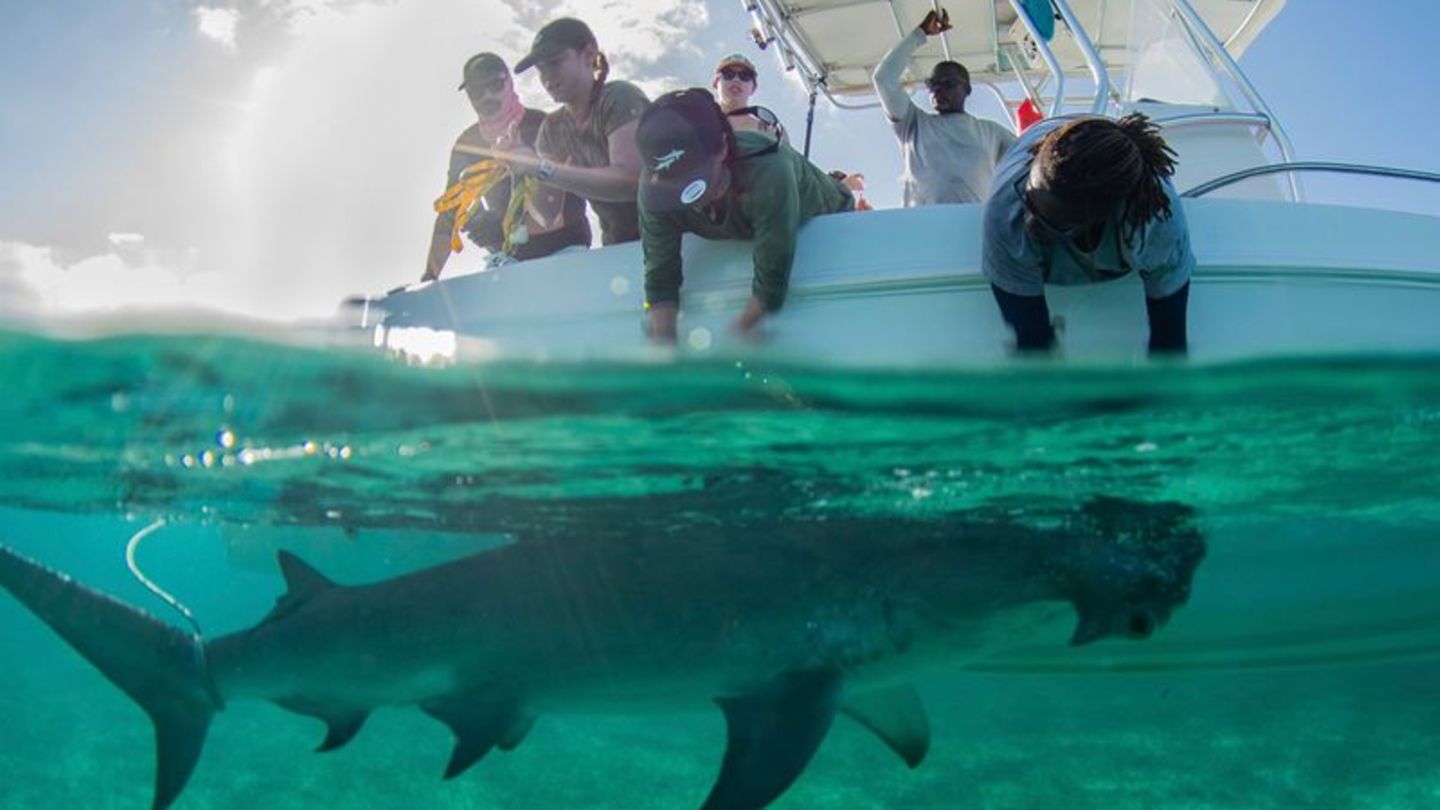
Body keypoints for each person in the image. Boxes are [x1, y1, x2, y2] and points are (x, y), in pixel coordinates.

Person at [637, 89, 855, 340]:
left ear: (722, 147)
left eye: (697, 183)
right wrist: (664, 347)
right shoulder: (653, 188)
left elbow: (770, 285)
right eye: (676, 189)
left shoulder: (770, 169)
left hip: (831, 209)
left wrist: (734, 339)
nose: (693, 200)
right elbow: (659, 279)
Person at [982, 113, 1194, 354]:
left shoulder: (1155, 218)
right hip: (1060, 141)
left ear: (1096, 218)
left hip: (1109, 182)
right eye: (1031, 201)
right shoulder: (1007, 212)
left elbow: (1170, 338)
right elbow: (1031, 344)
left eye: (1051, 221)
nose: (1030, 223)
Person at [423, 53, 590, 281]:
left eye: (494, 85)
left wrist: (504, 228)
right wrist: (429, 277)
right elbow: (449, 213)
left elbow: (558, 211)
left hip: (566, 251)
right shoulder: (467, 145)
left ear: (509, 83)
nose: (486, 96)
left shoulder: (545, 125)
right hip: (507, 261)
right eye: (476, 91)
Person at [508, 18, 650, 246]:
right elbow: (547, 213)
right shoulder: (551, 129)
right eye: (541, 68)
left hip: (674, 233)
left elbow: (631, 182)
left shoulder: (619, 98)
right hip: (617, 244)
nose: (546, 77)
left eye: (555, 62)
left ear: (589, 54)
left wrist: (544, 168)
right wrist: (522, 165)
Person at [872, 7, 1017, 206]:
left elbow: (1028, 157)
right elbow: (883, 78)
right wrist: (920, 33)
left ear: (967, 89)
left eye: (948, 83)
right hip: (923, 228)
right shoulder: (913, 124)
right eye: (933, 85)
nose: (938, 90)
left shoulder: (992, 132)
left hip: (972, 227)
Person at [711, 52, 786, 143]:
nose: (736, 80)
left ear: (753, 88)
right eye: (728, 74)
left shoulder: (769, 130)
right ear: (715, 83)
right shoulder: (699, 121)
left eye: (745, 76)